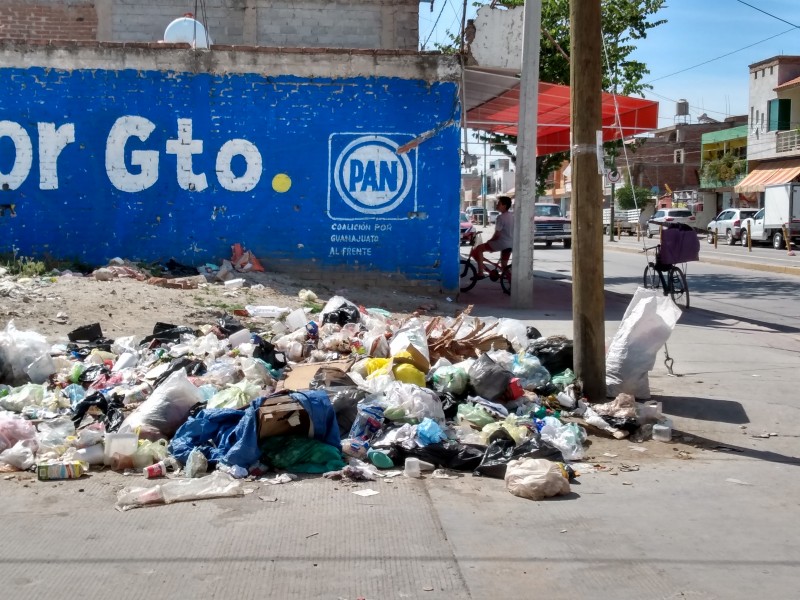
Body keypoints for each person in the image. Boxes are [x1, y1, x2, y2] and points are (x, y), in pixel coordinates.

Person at [470, 195, 513, 278]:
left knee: (479, 249)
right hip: (510, 244)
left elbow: (497, 234)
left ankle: (480, 273)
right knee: (504, 266)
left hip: (501, 243)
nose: (497, 205)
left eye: (499, 203)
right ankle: (511, 281)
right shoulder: (512, 216)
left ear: (504, 205)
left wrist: (490, 241)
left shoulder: (500, 217)